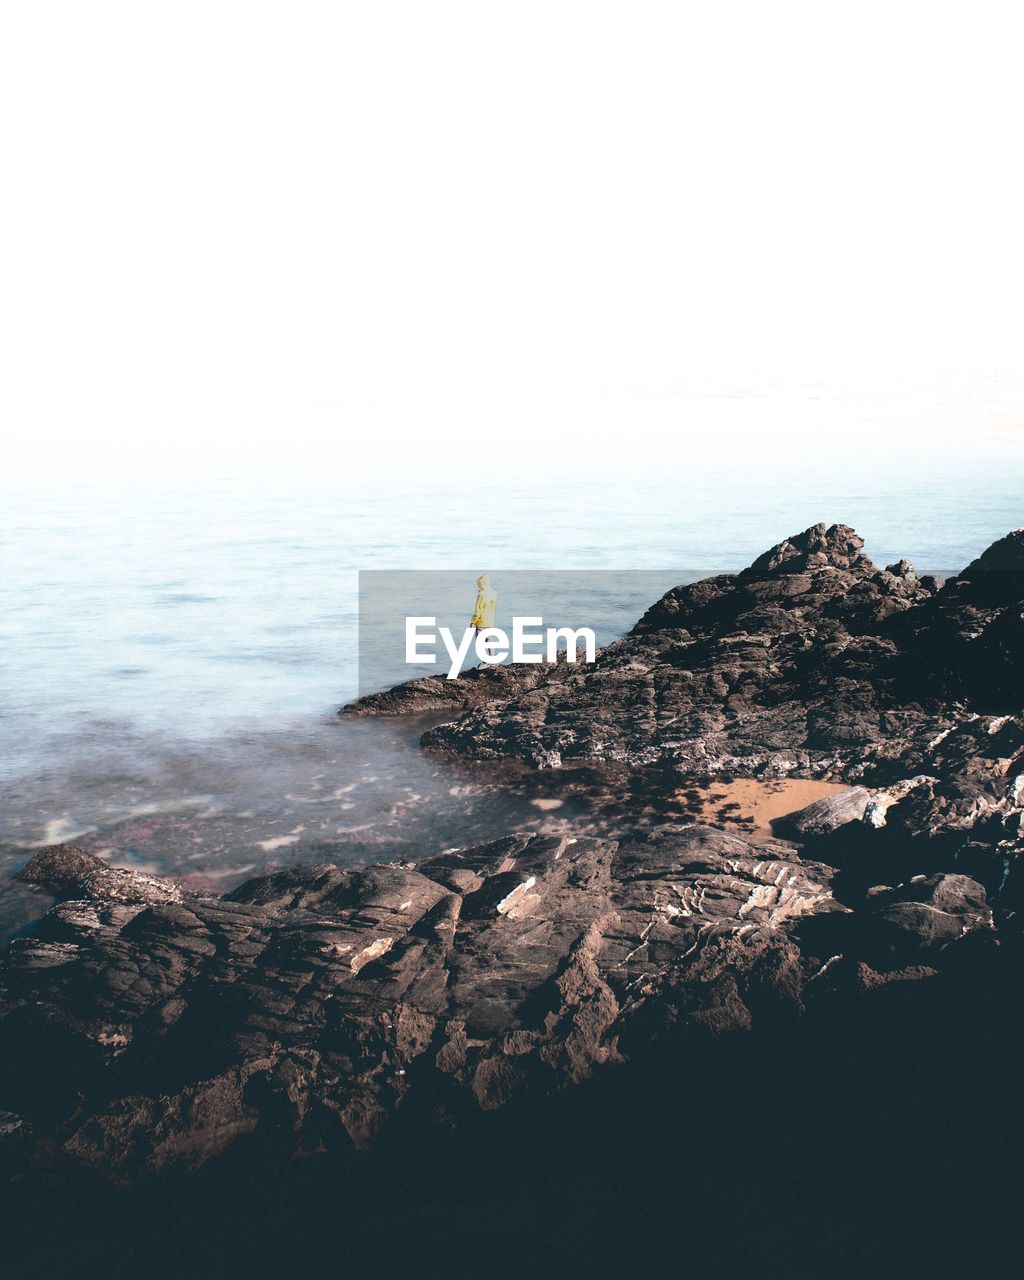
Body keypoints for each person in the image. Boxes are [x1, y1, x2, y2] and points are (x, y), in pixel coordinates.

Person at [470, 573, 498, 659]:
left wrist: (473, 621)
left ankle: (485, 661)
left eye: (479, 585)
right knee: (489, 640)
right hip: (490, 621)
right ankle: (492, 661)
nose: (479, 587)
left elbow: (478, 609)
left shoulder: (482, 594)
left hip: (481, 622)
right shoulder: (494, 593)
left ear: (482, 584)